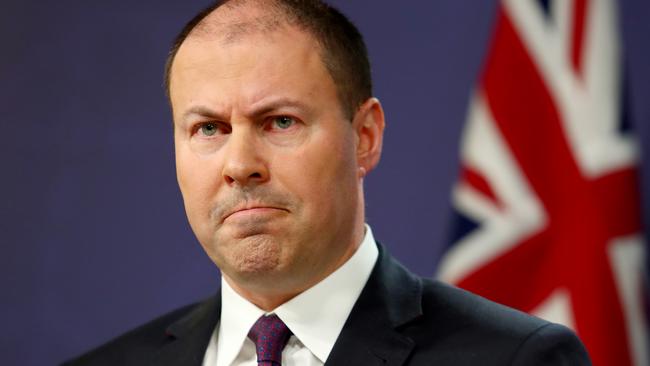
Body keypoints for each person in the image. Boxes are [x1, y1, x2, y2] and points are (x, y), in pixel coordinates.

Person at [63, 0, 591, 365]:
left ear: (364, 137)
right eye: (209, 129)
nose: (239, 163)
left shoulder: (517, 361)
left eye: (280, 122)